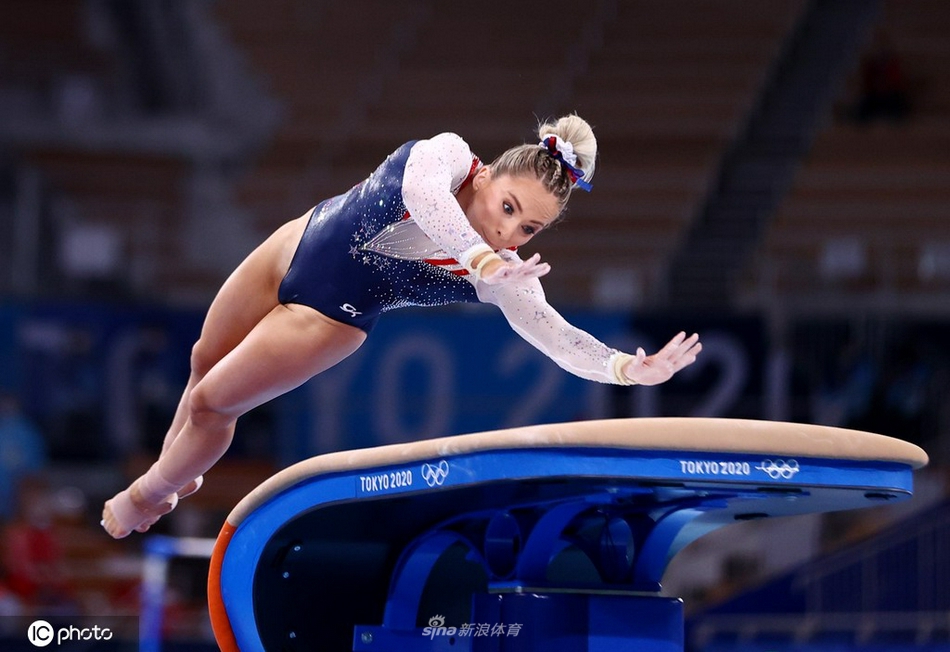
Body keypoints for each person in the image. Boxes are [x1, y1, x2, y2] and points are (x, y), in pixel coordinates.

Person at [101, 114, 702, 539]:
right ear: (488, 175)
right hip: (298, 240)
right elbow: (423, 199)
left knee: (211, 404)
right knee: (204, 358)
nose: (510, 233)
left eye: (529, 230)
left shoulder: (503, 275)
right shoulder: (445, 155)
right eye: (510, 208)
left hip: (332, 317)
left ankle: (150, 493)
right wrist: (479, 258)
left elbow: (555, 336)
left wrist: (626, 368)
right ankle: (178, 470)